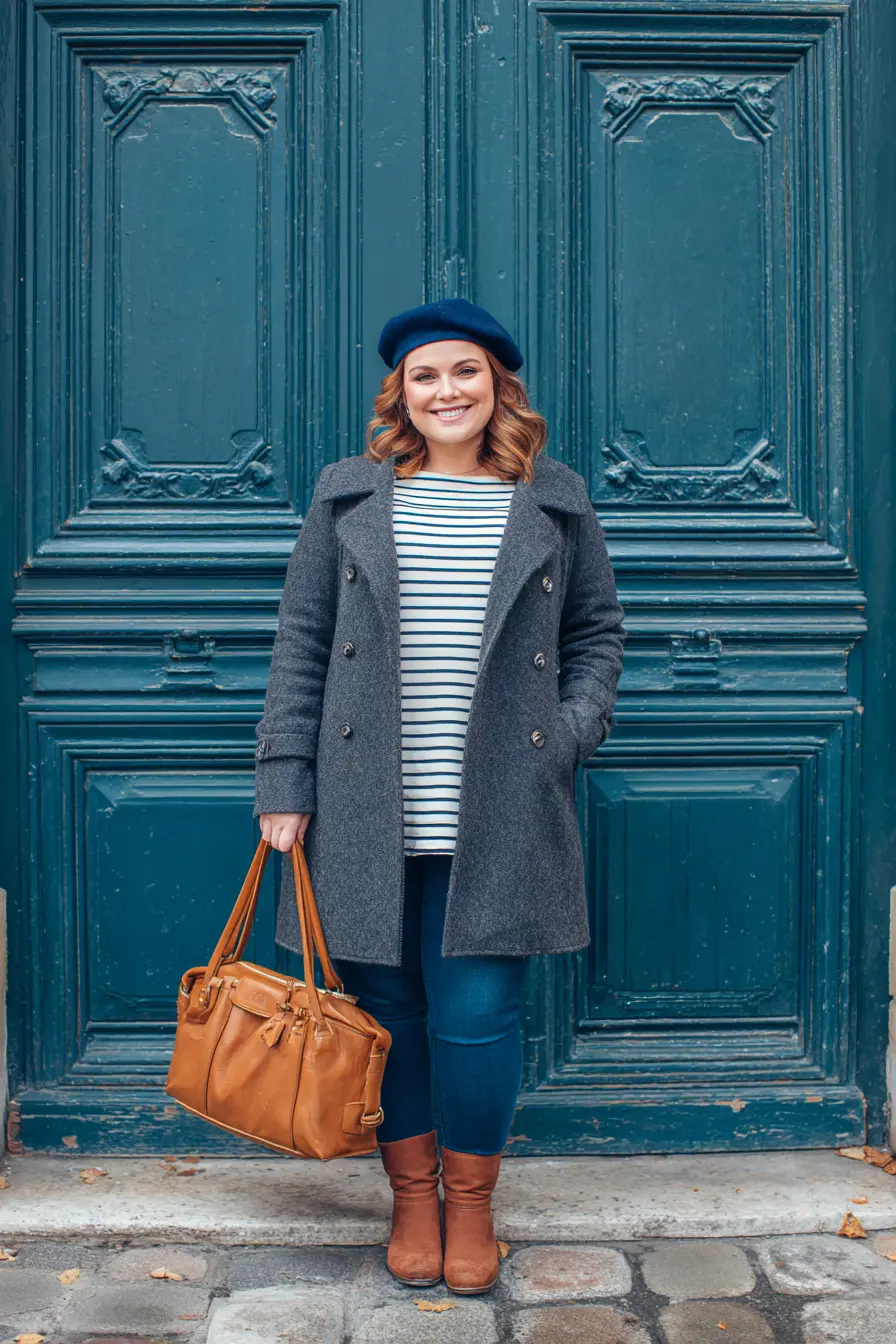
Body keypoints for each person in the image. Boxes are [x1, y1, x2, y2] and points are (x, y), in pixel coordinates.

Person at [255, 297, 626, 1294]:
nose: (445, 391)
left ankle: (470, 1205)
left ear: (496, 386)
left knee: (476, 1017)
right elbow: (298, 648)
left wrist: (565, 736)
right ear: (401, 395)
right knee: (389, 1015)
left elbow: (596, 637)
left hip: (500, 803)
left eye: (463, 372)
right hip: (364, 800)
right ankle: (409, 1197)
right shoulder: (347, 498)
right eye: (425, 376)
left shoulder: (553, 498)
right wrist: (284, 781)